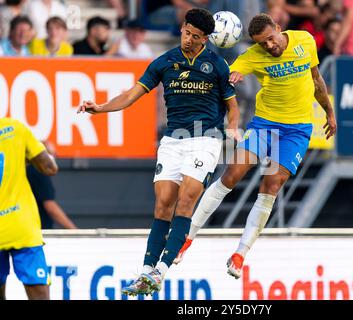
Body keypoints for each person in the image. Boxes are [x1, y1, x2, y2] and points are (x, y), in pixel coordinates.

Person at [77, 8, 240, 294]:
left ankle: (160, 271)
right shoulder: (164, 62)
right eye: (186, 32)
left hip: (205, 139)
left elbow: (232, 106)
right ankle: (144, 273)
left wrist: (233, 128)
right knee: (163, 203)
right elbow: (131, 95)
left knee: (187, 198)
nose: (188, 39)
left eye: (195, 36)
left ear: (205, 39)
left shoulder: (217, 64)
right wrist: (100, 108)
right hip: (173, 141)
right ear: (182, 29)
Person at [174, 13, 337, 279]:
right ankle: (187, 237)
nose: (269, 47)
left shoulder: (305, 41)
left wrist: (329, 113)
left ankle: (240, 254)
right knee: (231, 176)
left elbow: (316, 79)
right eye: (263, 44)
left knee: (271, 187)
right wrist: (232, 76)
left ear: (279, 29)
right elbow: (233, 72)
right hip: (264, 126)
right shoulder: (253, 56)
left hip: (296, 131)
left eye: (271, 40)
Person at [0, 118, 58, 300]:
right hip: (21, 226)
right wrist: (27, 157)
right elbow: (50, 168)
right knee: (38, 293)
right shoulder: (16, 128)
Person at [27, 141, 77, 229]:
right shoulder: (37, 171)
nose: (54, 159)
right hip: (39, 230)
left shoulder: (27, 170)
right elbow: (50, 207)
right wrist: (74, 230)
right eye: (51, 155)